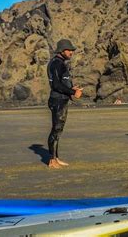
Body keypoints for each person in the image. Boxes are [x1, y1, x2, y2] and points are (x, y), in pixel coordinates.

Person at [46, 39, 83, 169]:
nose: (71, 52)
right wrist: (72, 91)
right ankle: (52, 160)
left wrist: (71, 88)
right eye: (69, 50)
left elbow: (62, 82)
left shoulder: (61, 63)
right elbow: (56, 85)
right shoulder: (56, 63)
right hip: (57, 100)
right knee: (56, 130)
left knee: (59, 130)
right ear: (62, 50)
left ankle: (56, 158)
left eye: (72, 50)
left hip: (61, 100)